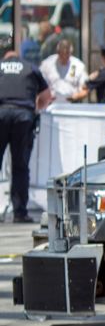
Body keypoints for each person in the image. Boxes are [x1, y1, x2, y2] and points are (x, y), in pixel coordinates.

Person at [0, 46, 52, 223]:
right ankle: (19, 212)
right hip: (23, 115)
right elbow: (46, 95)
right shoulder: (31, 67)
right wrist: (35, 108)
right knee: (20, 165)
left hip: (1, 113)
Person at [39, 39, 88, 104]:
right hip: (51, 103)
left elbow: (85, 89)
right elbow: (38, 84)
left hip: (72, 103)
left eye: (67, 54)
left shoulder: (77, 66)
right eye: (62, 54)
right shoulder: (47, 64)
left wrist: (76, 96)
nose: (64, 57)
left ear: (71, 53)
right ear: (58, 52)